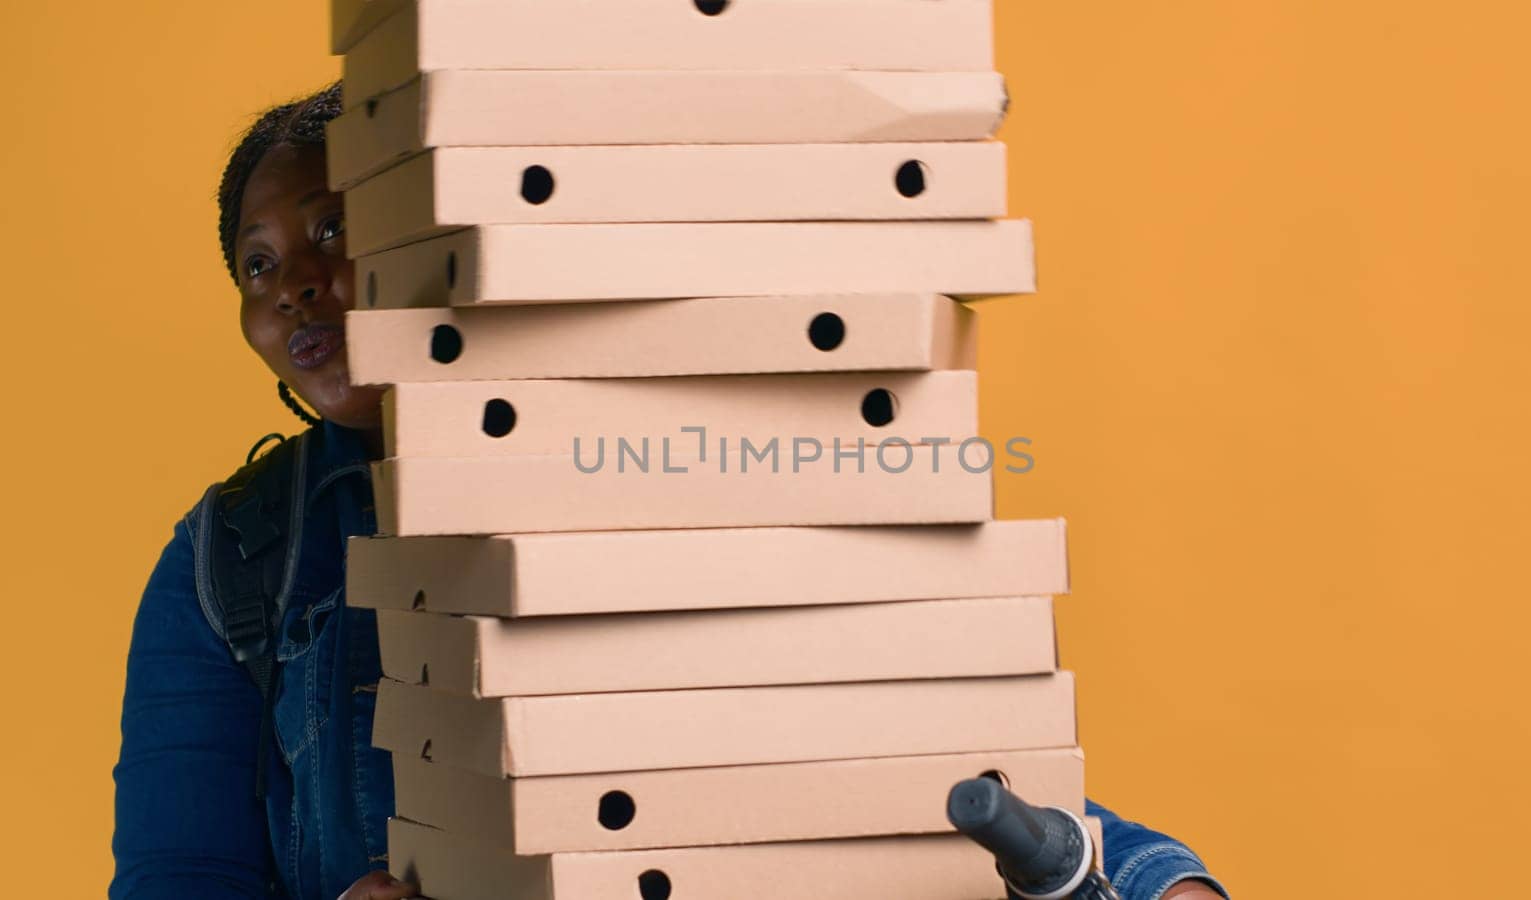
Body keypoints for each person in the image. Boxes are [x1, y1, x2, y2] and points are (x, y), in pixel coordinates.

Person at [109, 84, 1230, 900]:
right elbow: (176, 874)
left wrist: (1148, 879)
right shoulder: (235, 562)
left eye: (334, 228)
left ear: (435, 228)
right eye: (257, 264)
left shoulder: (666, 461)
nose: (297, 283)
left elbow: (905, 765)